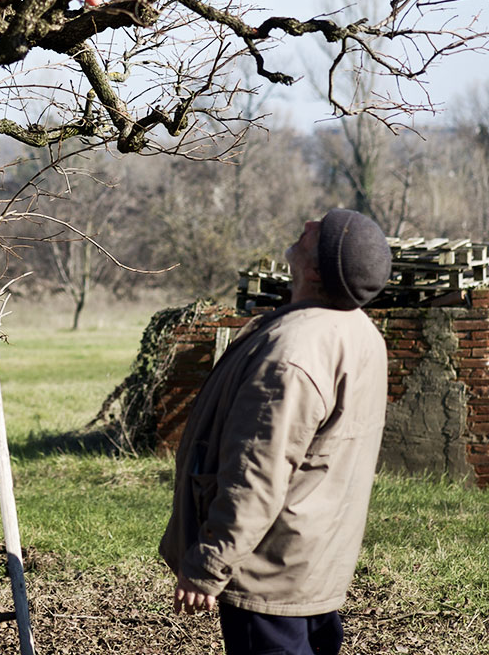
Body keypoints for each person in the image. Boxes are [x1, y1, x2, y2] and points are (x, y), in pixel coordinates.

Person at [159, 209, 392, 655]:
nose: (306, 225)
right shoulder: (360, 332)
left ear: (318, 271)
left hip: (269, 569)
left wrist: (210, 563)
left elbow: (257, 473)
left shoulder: (294, 354)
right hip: (313, 561)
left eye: (318, 232)